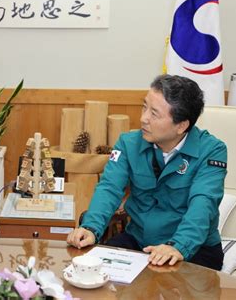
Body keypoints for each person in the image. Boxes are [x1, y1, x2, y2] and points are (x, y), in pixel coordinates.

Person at [67, 74, 227, 270]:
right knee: (91, 272)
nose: (143, 118)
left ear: (181, 125)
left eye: (154, 113)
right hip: (139, 241)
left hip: (194, 248)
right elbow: (109, 188)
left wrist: (178, 246)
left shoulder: (212, 151)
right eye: (144, 107)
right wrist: (91, 227)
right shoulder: (128, 143)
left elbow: (203, 204)